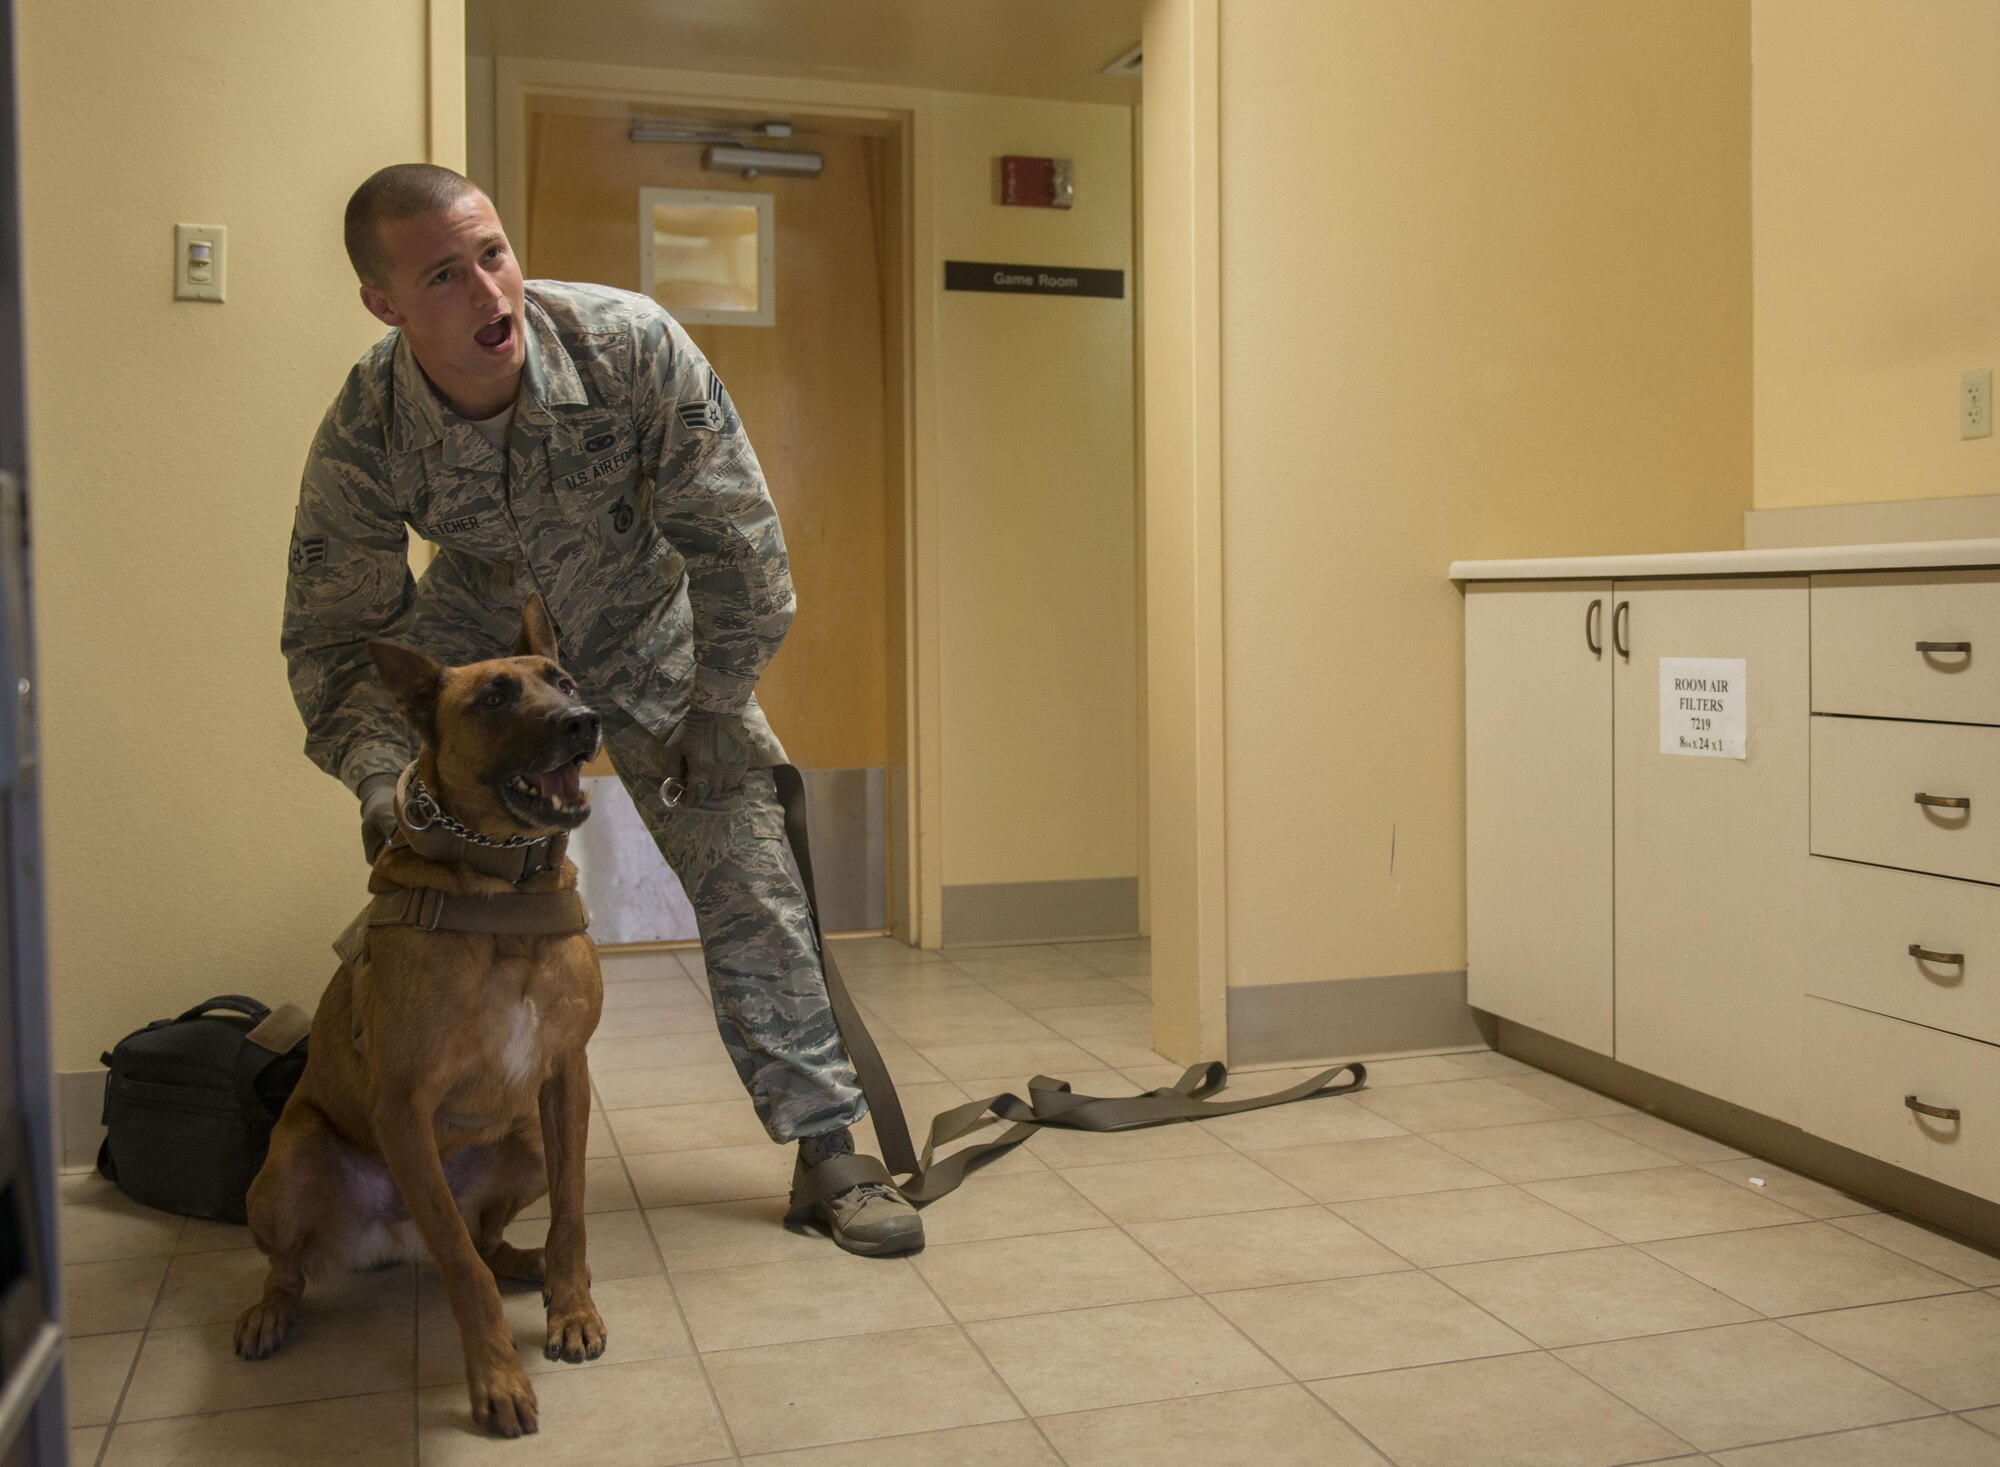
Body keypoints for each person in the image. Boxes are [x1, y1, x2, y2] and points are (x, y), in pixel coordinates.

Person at [280, 162, 919, 1256]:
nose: (490, 292)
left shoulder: (628, 344)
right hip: (486, 657)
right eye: (444, 275)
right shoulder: (367, 425)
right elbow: (339, 636)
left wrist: (720, 701)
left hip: (649, 631)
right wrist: (385, 775)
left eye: (492, 252)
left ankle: (827, 1151)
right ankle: (448, 1143)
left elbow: (739, 546)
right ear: (385, 306)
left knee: (746, 864)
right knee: (428, 890)